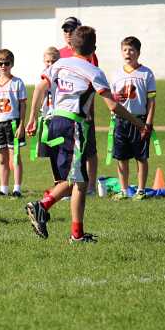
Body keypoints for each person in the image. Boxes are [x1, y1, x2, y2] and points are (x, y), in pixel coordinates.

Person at [24, 26, 145, 243]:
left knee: (77, 181)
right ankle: (42, 206)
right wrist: (137, 123)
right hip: (73, 125)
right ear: (94, 49)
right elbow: (112, 106)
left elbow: (40, 87)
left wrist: (32, 117)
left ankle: (76, 234)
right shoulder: (94, 72)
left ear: (71, 45)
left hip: (54, 123)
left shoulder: (59, 64)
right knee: (77, 180)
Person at [109, 36, 156, 200]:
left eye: (131, 50)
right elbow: (113, 99)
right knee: (121, 157)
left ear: (138, 52)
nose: (128, 53)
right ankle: (124, 190)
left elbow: (151, 101)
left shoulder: (146, 73)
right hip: (120, 121)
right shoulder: (116, 74)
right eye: (124, 50)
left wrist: (148, 123)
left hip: (140, 121)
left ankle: (141, 190)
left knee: (141, 157)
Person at [58, 16, 98, 198]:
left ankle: (90, 187)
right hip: (64, 112)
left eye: (71, 29)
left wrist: (89, 111)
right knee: (65, 151)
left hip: (83, 110)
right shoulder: (59, 54)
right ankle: (66, 186)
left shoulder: (88, 53)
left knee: (89, 149)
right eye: (66, 30)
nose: (68, 33)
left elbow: (92, 84)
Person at [0, 49, 27, 197]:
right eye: (0, 63)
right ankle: (3, 189)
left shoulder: (17, 82)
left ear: (12, 64)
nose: (3, 66)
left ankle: (17, 189)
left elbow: (23, 105)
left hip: (12, 123)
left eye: (6, 63)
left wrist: (21, 125)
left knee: (15, 156)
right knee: (2, 158)